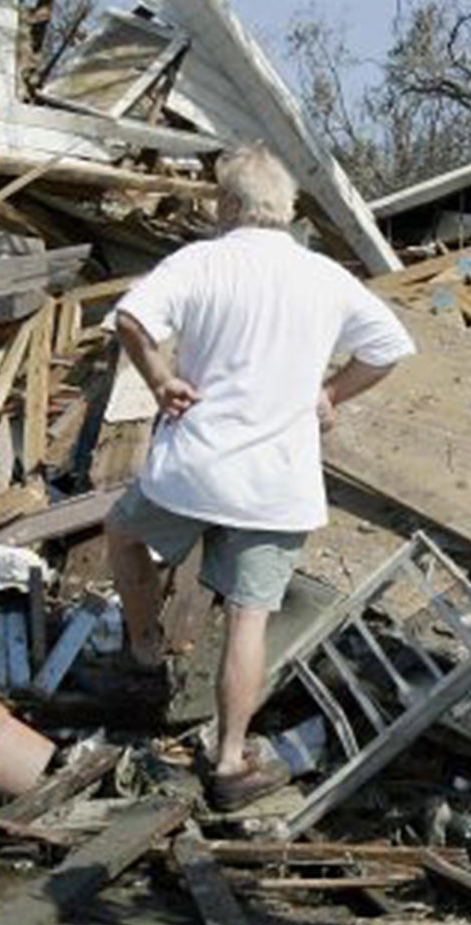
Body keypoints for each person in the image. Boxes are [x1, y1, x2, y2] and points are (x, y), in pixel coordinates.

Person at [103, 144, 416, 812]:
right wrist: (332, 392)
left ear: (229, 204)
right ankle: (229, 759)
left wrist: (161, 379)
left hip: (194, 468)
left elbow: (131, 317)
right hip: (277, 482)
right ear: (287, 208)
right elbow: (391, 347)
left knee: (123, 534)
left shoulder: (201, 261)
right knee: (250, 618)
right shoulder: (326, 276)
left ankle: (145, 648)